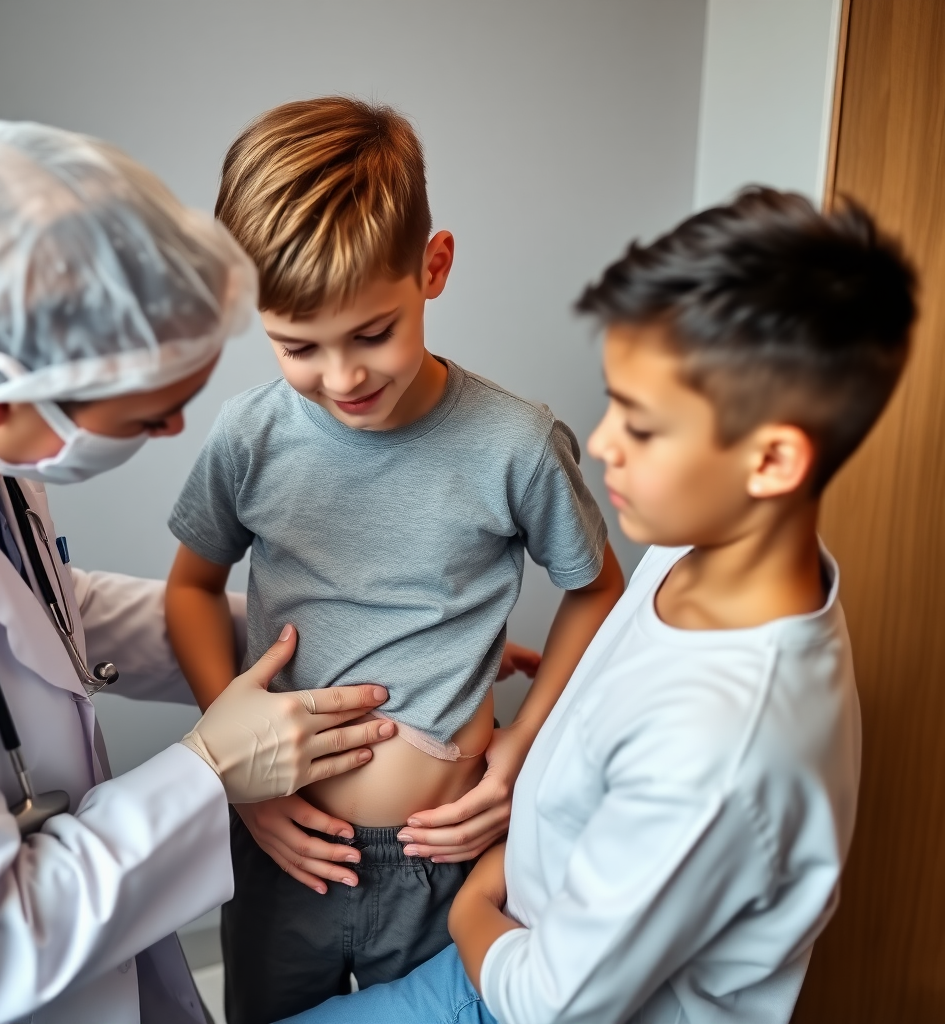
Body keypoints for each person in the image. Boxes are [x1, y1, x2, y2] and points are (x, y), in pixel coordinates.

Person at [276, 188, 918, 1024]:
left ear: (770, 462)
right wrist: (556, 724)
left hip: (508, 982)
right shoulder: (710, 545)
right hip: (510, 927)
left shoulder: (717, 753)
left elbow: (551, 1004)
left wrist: (476, 898)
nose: (604, 440)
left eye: (642, 427)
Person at [0, 120, 399, 1024]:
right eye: (148, 419)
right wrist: (210, 771)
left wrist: (342, 632)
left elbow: (48, 616)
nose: (179, 432)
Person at [164, 96, 625, 1023]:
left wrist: (518, 753)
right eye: (298, 346)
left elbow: (597, 592)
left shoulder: (517, 444)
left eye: (372, 333)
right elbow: (191, 589)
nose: (342, 378)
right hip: (285, 844)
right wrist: (237, 772)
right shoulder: (250, 436)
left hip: (441, 854)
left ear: (433, 267)